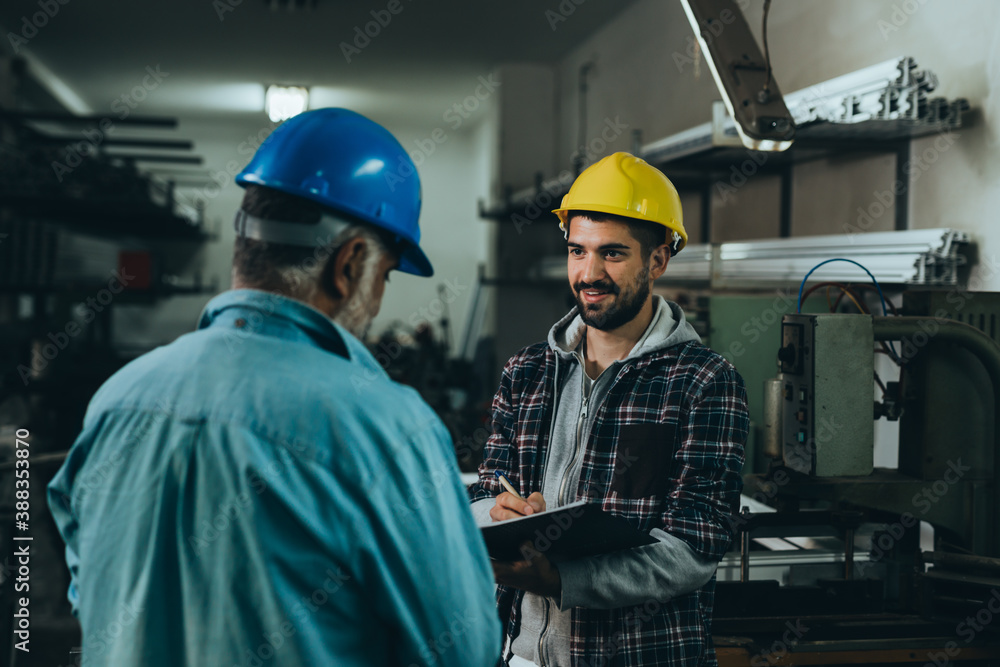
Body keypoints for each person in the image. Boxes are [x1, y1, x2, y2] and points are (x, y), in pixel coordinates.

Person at [47, 108, 501, 667]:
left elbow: (90, 592)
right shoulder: (389, 427)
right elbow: (464, 652)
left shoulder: (117, 399)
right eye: (384, 276)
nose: (377, 302)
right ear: (350, 262)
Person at [468, 152, 749, 667]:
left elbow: (694, 550)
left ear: (658, 260)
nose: (589, 273)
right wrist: (497, 515)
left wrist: (562, 579)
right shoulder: (527, 371)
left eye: (612, 254)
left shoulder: (703, 382)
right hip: (520, 656)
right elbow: (485, 493)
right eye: (577, 251)